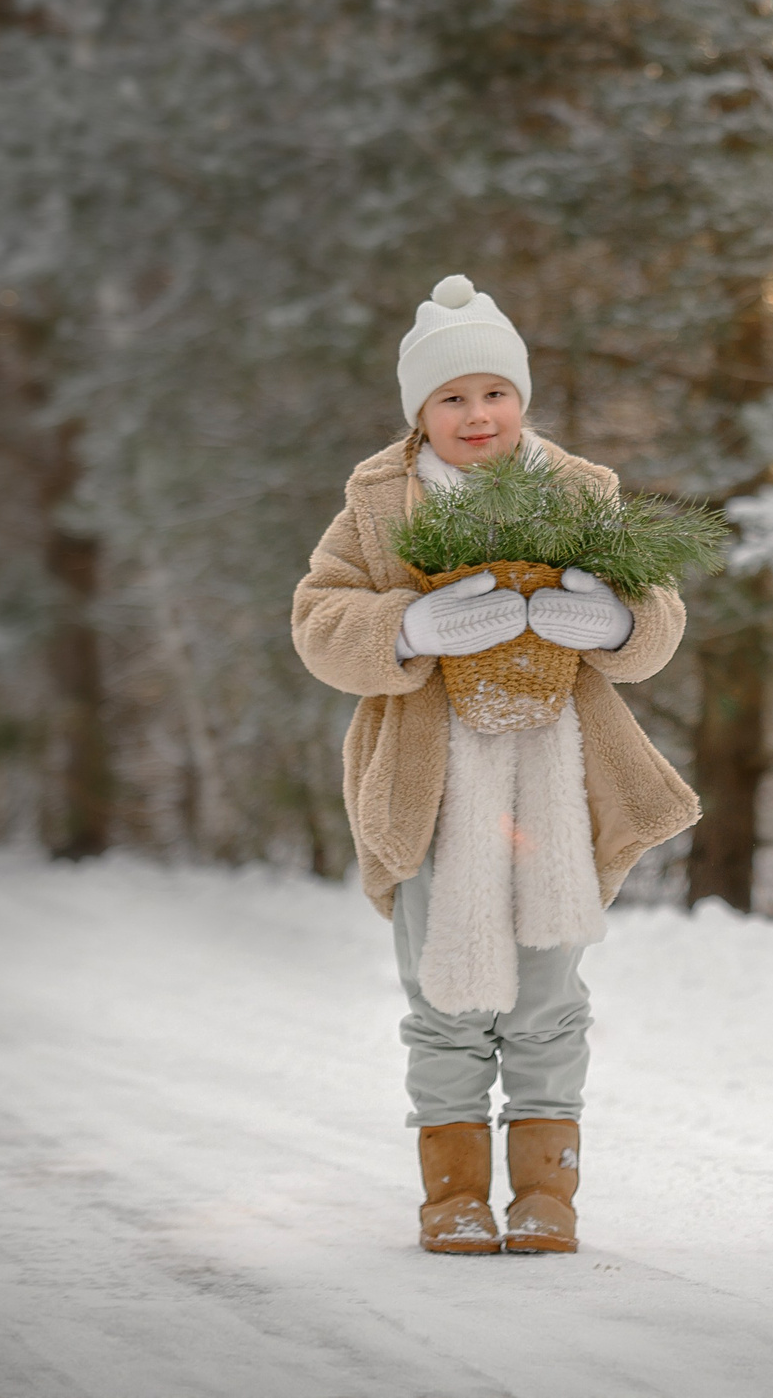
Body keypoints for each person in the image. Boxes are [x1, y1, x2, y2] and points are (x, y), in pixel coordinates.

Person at [291, 275, 700, 1254]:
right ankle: (454, 1196)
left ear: (521, 397)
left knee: (549, 994)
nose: (476, 415)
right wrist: (410, 624)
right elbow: (317, 619)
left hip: (555, 777)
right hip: (433, 785)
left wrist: (612, 621)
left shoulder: (581, 492)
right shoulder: (377, 503)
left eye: (493, 392)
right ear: (419, 411)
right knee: (445, 993)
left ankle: (546, 1194)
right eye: (450, 397)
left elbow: (657, 622)